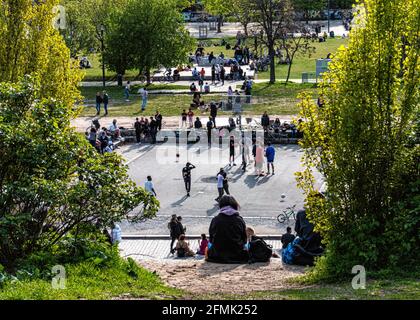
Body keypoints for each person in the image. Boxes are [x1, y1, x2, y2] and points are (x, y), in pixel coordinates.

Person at [207, 195, 248, 263]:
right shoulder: (239, 220)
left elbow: (211, 239)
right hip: (237, 254)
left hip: (217, 255)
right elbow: (244, 240)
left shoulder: (215, 220)